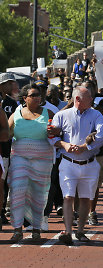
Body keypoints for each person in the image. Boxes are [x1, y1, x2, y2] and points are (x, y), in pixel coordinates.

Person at [50, 86, 103, 245]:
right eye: (89, 97)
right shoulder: (61, 115)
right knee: (68, 197)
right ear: (78, 99)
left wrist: (85, 147)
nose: (92, 99)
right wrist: (64, 144)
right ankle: (68, 231)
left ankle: (80, 231)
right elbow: (50, 137)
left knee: (85, 198)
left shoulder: (96, 114)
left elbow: (102, 136)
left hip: (90, 163)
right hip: (68, 163)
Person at [7, 85, 54, 242]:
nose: (37, 97)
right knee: (18, 190)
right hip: (19, 158)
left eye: (39, 95)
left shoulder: (49, 113)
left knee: (38, 194)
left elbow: (60, 130)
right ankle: (17, 229)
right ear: (24, 98)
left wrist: (55, 131)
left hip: (42, 160)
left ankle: (36, 229)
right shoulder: (16, 115)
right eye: (33, 95)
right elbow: (6, 133)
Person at [0, 73, 19, 226]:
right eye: (8, 83)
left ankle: (1, 213)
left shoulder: (12, 103)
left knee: (4, 180)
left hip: (7, 147)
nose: (10, 85)